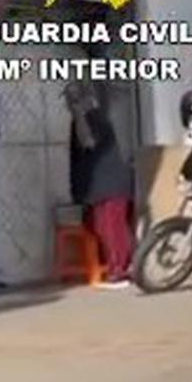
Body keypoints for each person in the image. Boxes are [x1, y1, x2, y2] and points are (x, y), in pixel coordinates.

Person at [65, 80, 135, 287]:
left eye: (75, 98)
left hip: (112, 184)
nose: (71, 103)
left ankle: (121, 270)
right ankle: (119, 267)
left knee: (112, 228)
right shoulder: (80, 121)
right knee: (102, 227)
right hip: (99, 187)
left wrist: (79, 113)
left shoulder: (95, 118)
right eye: (69, 99)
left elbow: (88, 141)